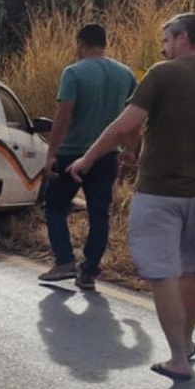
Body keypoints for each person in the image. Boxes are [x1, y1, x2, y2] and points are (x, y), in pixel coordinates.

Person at [67, 13, 195, 383]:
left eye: (167, 39)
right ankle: (185, 345)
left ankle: (177, 358)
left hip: (157, 193)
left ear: (183, 37)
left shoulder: (162, 74)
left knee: (161, 272)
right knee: (192, 271)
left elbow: (125, 124)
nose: (163, 47)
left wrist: (88, 158)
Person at [37, 22, 137, 292]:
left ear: (80, 43)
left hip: (71, 153)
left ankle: (64, 261)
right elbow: (134, 117)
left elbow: (63, 115)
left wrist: (51, 154)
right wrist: (129, 148)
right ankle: (90, 271)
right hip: (106, 156)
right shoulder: (125, 74)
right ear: (104, 44)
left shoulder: (74, 72)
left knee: (55, 206)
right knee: (99, 213)